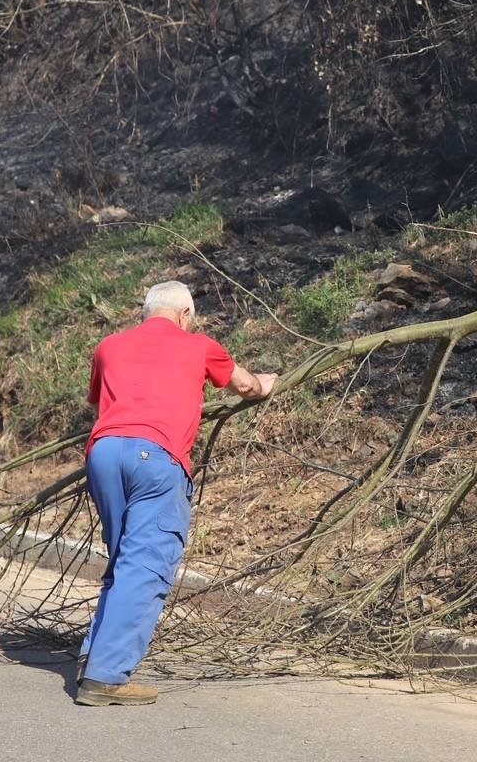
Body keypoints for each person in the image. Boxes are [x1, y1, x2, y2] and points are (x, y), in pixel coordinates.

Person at [75, 280, 276, 706]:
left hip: (104, 453)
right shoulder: (199, 345)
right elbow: (245, 386)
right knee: (145, 564)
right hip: (156, 459)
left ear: (145, 311)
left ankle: (93, 656)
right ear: (185, 315)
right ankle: (105, 677)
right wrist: (267, 382)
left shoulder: (108, 345)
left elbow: (102, 404)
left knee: (124, 558)